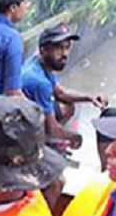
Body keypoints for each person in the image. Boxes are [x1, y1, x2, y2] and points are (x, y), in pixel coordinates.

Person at [22, 22, 109, 151]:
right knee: (64, 112)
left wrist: (90, 97)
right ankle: (43, 144)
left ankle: (51, 141)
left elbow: (60, 93)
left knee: (69, 105)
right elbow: (52, 128)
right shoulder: (40, 82)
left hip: (31, 109)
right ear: (43, 50)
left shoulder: (38, 61)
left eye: (67, 47)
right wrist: (74, 137)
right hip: (24, 125)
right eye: (58, 48)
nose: (65, 54)